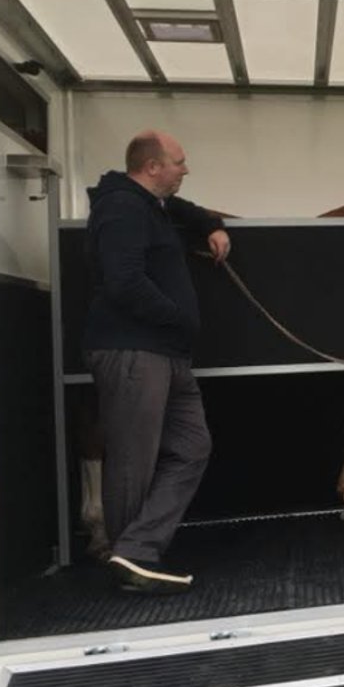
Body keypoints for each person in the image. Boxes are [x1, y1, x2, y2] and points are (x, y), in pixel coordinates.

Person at [83, 130, 230, 593]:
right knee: (133, 460)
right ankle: (131, 564)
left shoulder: (151, 205)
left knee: (192, 447)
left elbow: (183, 211)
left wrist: (210, 224)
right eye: (179, 163)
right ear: (152, 167)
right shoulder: (122, 208)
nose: (185, 170)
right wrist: (179, 319)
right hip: (135, 351)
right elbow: (123, 282)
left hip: (165, 353)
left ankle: (136, 548)